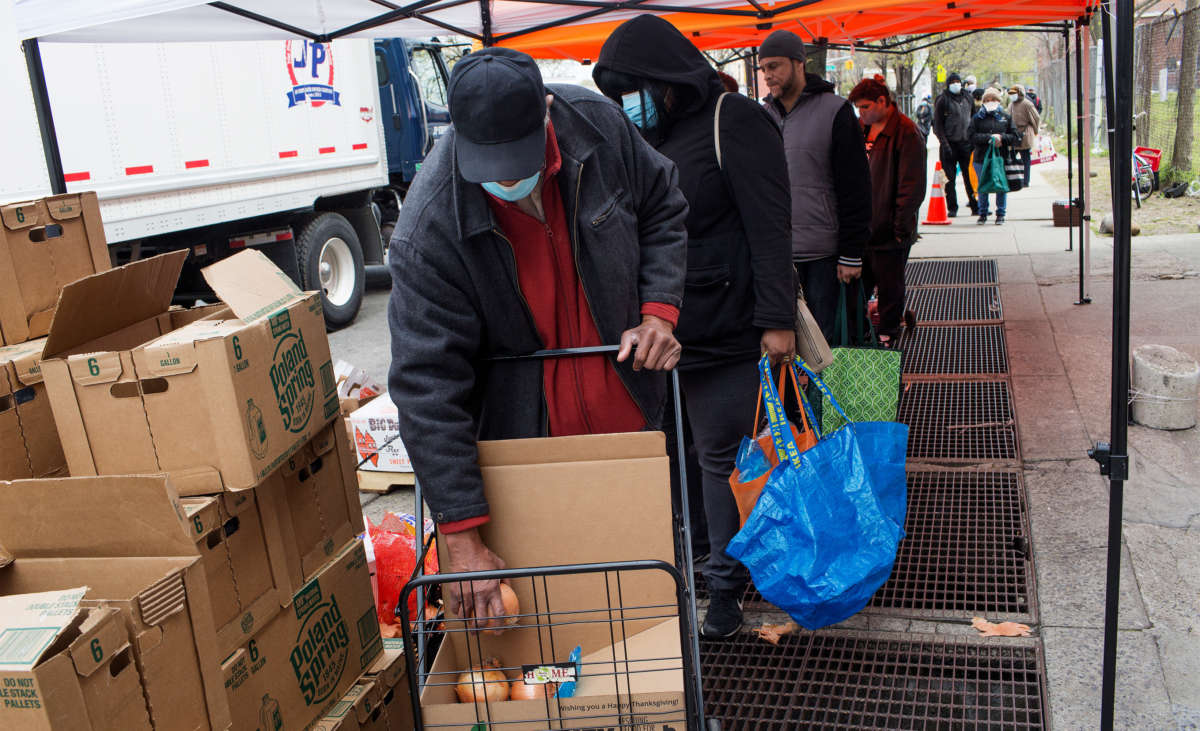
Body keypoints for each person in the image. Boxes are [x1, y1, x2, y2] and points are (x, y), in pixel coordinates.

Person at [387, 47, 689, 630]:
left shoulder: (597, 126)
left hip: (632, 420)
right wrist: (463, 538)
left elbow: (663, 206)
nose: (505, 177)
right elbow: (427, 387)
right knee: (556, 612)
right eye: (488, 163)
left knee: (645, 594)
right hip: (524, 447)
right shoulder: (430, 226)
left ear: (547, 110)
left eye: (516, 157)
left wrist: (658, 313)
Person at [594, 15, 796, 639]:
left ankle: (726, 591)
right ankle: (698, 562)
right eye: (617, 93)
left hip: (725, 327)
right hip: (657, 333)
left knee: (717, 457)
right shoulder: (639, 138)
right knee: (676, 455)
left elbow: (770, 225)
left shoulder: (732, 119)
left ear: (668, 79)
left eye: (635, 89)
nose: (628, 104)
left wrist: (777, 321)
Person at [757, 29, 871, 342]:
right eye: (763, 68)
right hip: (781, 256)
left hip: (826, 256)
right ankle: (797, 395)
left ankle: (833, 395)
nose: (768, 75)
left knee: (829, 346)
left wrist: (851, 253)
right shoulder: (763, 116)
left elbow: (856, 188)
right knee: (786, 350)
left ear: (799, 63)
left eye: (775, 66)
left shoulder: (835, 110)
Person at [848, 77, 927, 346]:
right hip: (862, 229)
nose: (862, 113)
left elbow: (911, 187)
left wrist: (899, 229)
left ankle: (887, 338)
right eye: (859, 108)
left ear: (883, 102)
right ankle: (866, 336)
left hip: (888, 230)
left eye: (866, 107)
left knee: (890, 290)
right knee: (857, 291)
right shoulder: (861, 128)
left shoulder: (906, 132)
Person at [968, 87, 1021, 225]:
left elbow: (1015, 136)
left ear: (999, 101)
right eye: (988, 100)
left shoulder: (1006, 118)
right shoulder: (977, 118)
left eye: (994, 99)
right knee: (983, 186)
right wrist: (988, 138)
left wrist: (1001, 138)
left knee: (1000, 186)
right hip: (981, 158)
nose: (990, 102)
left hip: (1001, 157)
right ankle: (983, 213)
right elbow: (971, 136)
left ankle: (1001, 213)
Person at [933, 72, 978, 217]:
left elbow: (973, 119)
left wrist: (973, 140)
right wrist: (944, 143)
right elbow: (938, 125)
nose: (955, 84)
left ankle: (975, 205)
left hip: (966, 144)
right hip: (949, 145)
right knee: (949, 179)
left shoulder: (968, 98)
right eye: (952, 82)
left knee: (969, 177)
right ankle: (952, 207)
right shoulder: (943, 100)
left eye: (958, 81)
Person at [1008, 85, 1041, 187]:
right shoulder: (1011, 105)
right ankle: (1013, 179)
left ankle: (1026, 181)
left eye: (1014, 93)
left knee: (1025, 158)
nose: (1013, 96)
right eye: (1011, 94)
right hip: (1014, 133)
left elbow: (1036, 117)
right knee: (1011, 157)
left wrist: (1034, 130)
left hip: (1025, 132)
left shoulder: (1027, 104)